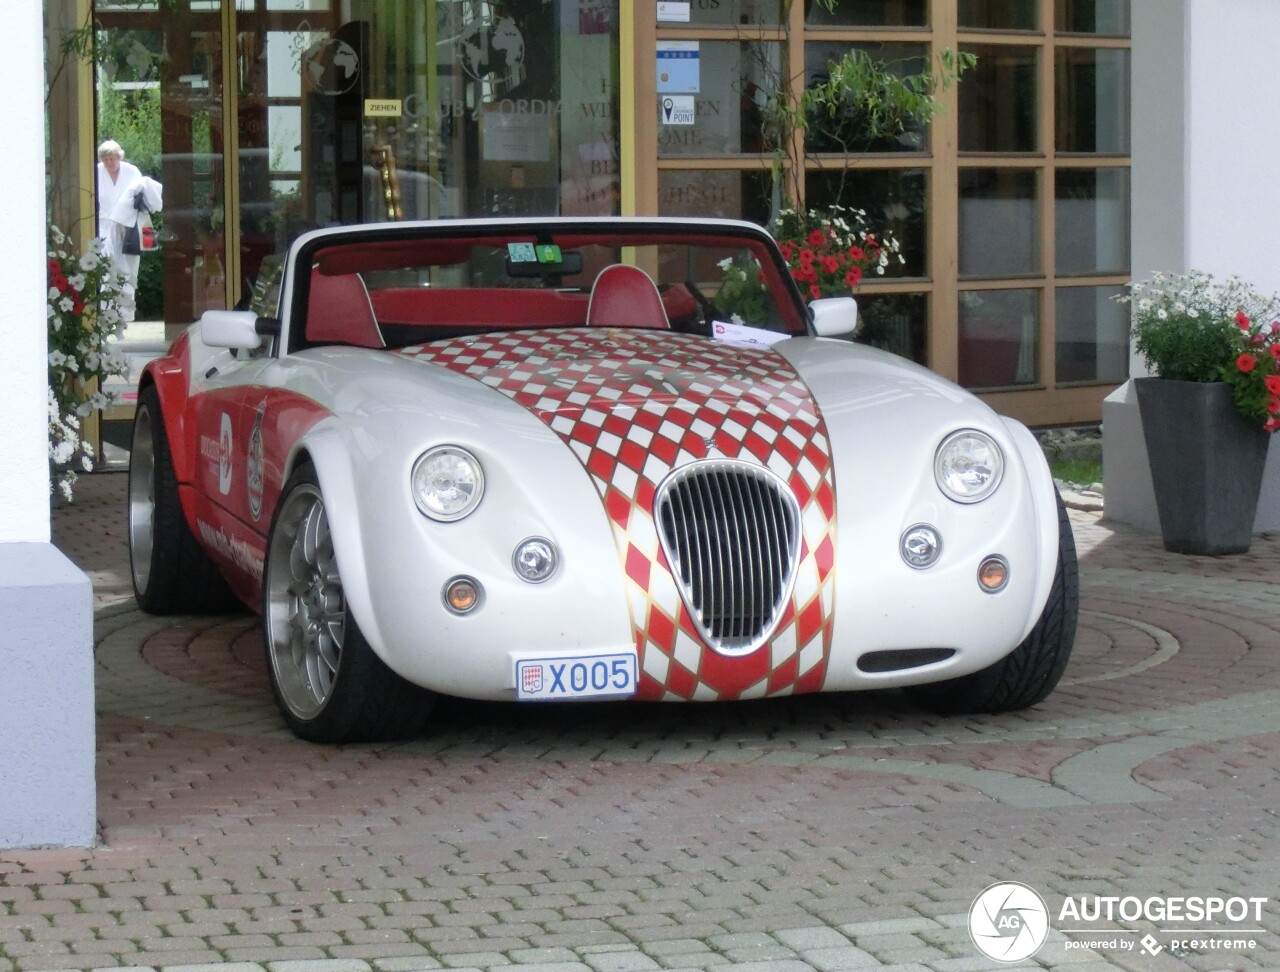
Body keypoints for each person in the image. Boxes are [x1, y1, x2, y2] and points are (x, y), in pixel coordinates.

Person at [96, 139, 162, 323]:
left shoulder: (132, 172)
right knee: (106, 268)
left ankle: (125, 315)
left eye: (112, 158)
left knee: (127, 269)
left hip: (128, 228)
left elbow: (143, 198)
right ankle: (105, 313)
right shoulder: (96, 172)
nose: (109, 163)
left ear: (119, 157)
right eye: (106, 159)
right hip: (104, 226)